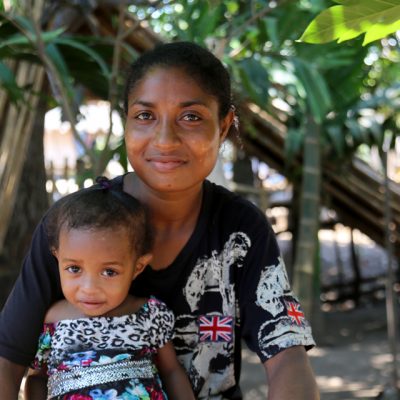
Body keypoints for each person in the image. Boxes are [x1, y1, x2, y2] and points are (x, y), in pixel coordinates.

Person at [0, 41, 319, 399]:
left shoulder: (241, 231)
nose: (165, 140)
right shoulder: (73, 226)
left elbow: (287, 356)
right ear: (126, 123)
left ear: (224, 125)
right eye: (145, 116)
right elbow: (8, 361)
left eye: (191, 117)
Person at [24, 177, 195, 399]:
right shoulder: (53, 319)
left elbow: (171, 372)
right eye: (74, 268)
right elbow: (37, 377)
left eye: (109, 272)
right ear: (57, 258)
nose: (89, 288)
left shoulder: (150, 314)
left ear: (138, 267)